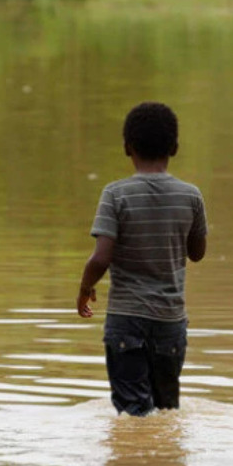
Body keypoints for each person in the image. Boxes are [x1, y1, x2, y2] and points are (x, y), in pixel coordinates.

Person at [77, 102, 208, 416]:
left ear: (127, 147)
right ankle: (163, 464)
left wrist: (84, 288)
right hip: (170, 323)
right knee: (166, 412)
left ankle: (135, 464)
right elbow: (197, 253)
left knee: (133, 414)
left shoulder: (115, 195)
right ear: (174, 148)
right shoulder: (191, 196)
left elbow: (101, 257)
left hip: (127, 320)